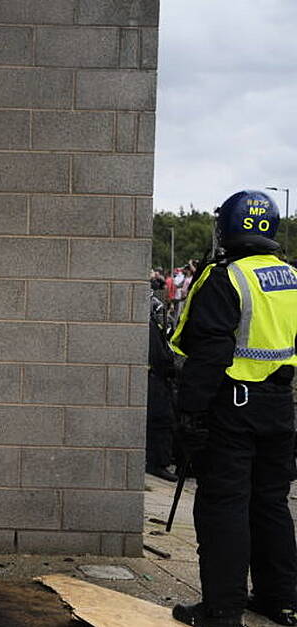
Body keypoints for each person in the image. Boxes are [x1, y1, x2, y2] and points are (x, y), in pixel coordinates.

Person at [169, 190, 297, 627]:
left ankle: (222, 609)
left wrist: (189, 414)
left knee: (224, 506)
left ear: (227, 228)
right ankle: (281, 600)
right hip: (281, 406)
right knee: (271, 504)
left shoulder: (225, 277)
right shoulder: (291, 277)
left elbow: (209, 353)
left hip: (233, 405)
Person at [145, 293, 178, 481]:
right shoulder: (151, 326)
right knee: (162, 419)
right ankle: (158, 463)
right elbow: (162, 356)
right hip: (157, 378)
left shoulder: (152, 323)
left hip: (156, 376)